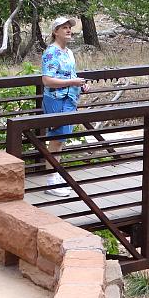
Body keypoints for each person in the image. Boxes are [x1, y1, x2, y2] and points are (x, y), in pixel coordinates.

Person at [41, 17, 88, 197]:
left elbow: (71, 74)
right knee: (56, 138)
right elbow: (47, 80)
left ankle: (56, 175)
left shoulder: (68, 52)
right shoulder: (51, 52)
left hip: (69, 99)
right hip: (55, 99)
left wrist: (80, 84)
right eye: (64, 28)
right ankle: (51, 180)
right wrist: (72, 81)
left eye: (69, 28)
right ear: (55, 31)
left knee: (62, 139)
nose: (69, 30)